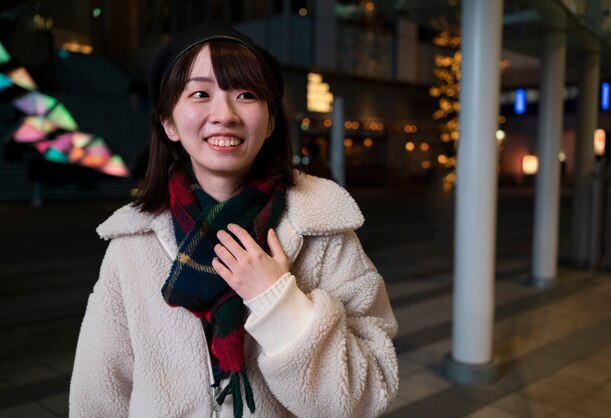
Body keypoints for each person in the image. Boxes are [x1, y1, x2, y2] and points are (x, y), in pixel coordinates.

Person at [69, 21, 398, 418]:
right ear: (168, 123)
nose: (224, 114)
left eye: (246, 94)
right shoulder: (131, 244)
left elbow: (368, 394)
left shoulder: (322, 230)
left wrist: (278, 302)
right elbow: (99, 394)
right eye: (200, 93)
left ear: (271, 120)